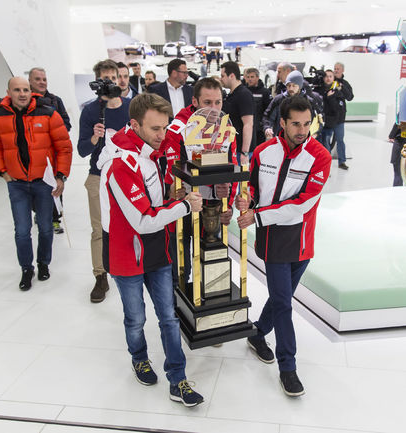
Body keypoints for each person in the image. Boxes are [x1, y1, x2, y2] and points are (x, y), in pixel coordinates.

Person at [98, 92, 205, 407]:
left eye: (166, 127)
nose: (163, 135)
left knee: (169, 317)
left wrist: (178, 195)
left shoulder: (153, 151)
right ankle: (139, 357)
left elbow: (157, 202)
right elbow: (142, 219)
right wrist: (184, 207)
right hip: (126, 252)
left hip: (159, 248)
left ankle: (178, 379)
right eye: (156, 129)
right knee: (135, 318)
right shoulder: (120, 164)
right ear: (134, 125)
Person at [235, 95, 331, 397]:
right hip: (273, 240)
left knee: (282, 297)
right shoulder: (264, 152)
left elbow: (302, 205)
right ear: (283, 123)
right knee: (285, 304)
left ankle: (257, 333)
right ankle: (287, 368)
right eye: (295, 124)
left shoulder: (320, 157)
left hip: (301, 240)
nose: (302, 130)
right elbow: (251, 185)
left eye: (306, 123)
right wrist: (247, 199)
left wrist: (257, 215)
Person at [0, 77, 72, 290]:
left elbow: (63, 146)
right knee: (22, 230)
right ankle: (27, 268)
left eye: (26, 89)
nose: (22, 93)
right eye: (17, 90)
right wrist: (3, 173)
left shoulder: (48, 112)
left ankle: (43, 263)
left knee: (45, 227)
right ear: (9, 92)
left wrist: (60, 175)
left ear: (31, 91)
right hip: (16, 183)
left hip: (43, 182)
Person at [162, 77, 236, 288]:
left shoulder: (227, 128)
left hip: (212, 207)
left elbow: (232, 169)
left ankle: (208, 304)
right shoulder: (178, 128)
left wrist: (227, 203)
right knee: (180, 268)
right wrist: (178, 195)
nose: (214, 109)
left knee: (211, 266)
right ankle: (178, 308)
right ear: (194, 101)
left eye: (218, 102)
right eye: (207, 103)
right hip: (183, 209)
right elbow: (171, 175)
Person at [78, 59, 131, 303]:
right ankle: (100, 275)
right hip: (98, 176)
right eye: (107, 78)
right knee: (99, 228)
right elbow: (81, 150)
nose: (113, 81)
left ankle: (131, 268)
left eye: (116, 76)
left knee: (131, 223)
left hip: (129, 174)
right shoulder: (90, 111)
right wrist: (93, 138)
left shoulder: (132, 107)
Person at [28, 67, 71, 234]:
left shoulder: (55, 101)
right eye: (38, 79)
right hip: (32, 155)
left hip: (52, 155)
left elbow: (66, 123)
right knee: (33, 187)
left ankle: (54, 220)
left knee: (56, 186)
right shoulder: (25, 101)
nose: (42, 82)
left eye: (44, 79)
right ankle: (39, 213)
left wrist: (54, 130)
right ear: (30, 81)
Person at [262, 70, 323, 141]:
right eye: (288, 85)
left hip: (301, 141)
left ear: (299, 87)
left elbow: (318, 120)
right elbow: (267, 116)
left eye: (294, 86)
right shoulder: (279, 99)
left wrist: (315, 133)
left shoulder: (309, 102)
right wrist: (267, 127)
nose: (291, 88)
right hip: (281, 139)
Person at [220, 61, 255, 165]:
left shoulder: (244, 95)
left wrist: (245, 152)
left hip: (240, 151)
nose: (221, 79)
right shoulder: (231, 95)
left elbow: (248, 124)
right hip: (231, 148)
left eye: (222, 76)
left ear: (231, 76)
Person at [323, 62, 354, 170]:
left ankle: (342, 161)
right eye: (334, 68)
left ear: (342, 70)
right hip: (328, 118)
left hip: (339, 118)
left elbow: (350, 97)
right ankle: (325, 162)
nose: (336, 70)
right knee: (326, 140)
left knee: (340, 140)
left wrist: (341, 88)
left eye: (338, 69)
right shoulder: (326, 84)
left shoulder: (345, 84)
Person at [243, 67, 271, 146]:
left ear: (257, 77)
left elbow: (268, 111)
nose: (250, 79)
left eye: (252, 77)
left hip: (259, 129)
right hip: (246, 128)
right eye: (248, 77)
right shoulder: (243, 91)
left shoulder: (265, 92)